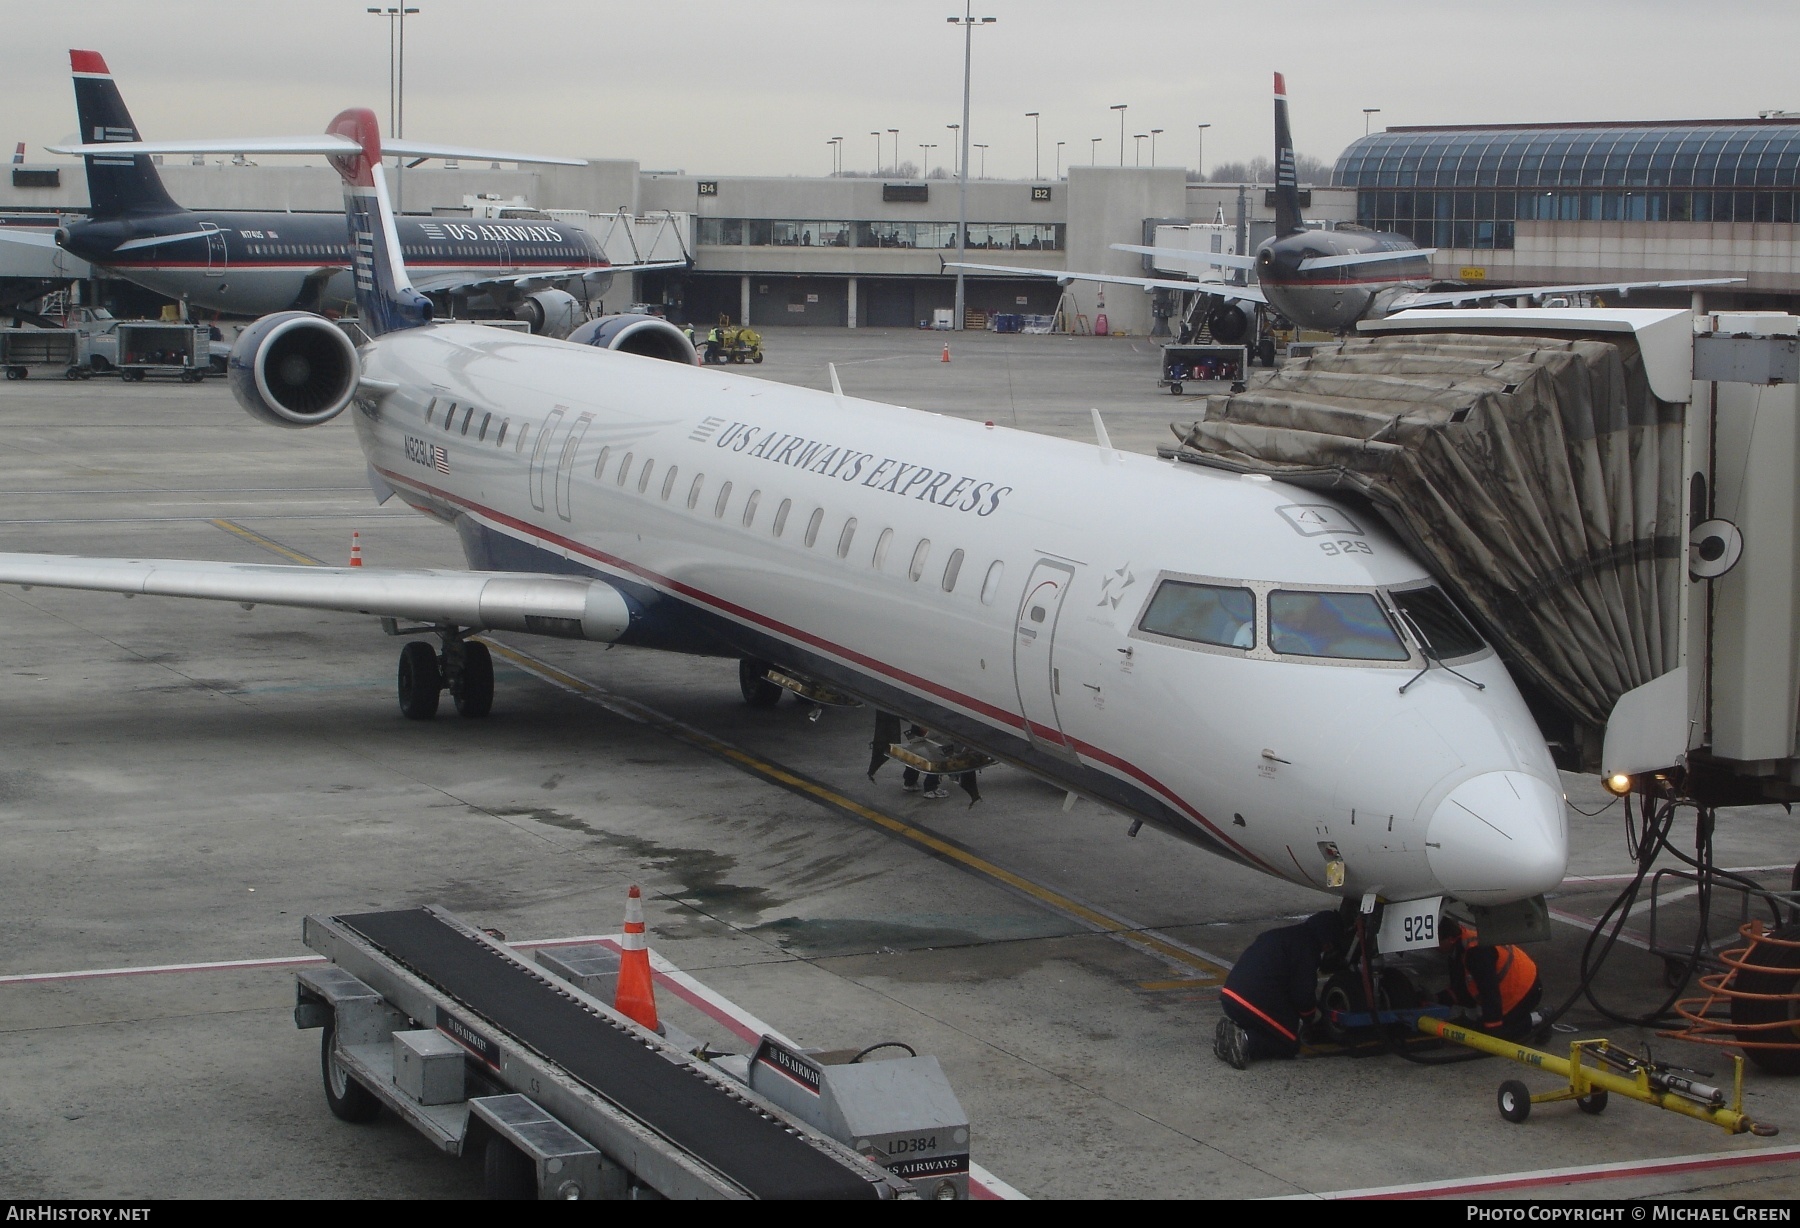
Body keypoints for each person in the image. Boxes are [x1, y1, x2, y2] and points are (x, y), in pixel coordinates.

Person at [1213, 911, 1341, 1068]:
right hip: (1250, 1002)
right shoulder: (1308, 948)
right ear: (1327, 942)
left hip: (1230, 996)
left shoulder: (1282, 935)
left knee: (1269, 1027)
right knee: (1289, 1042)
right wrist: (1312, 1018)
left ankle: (1232, 1036)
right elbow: (1302, 995)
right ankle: (1245, 1041)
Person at [1440, 918, 1542, 1040]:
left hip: (1526, 991)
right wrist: (1435, 998)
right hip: (1512, 987)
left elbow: (1489, 990)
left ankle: (1539, 1019)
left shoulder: (1476, 953)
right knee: (1476, 1029)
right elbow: (1462, 988)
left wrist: (1492, 1026)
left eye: (1436, 942)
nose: (1434, 947)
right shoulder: (1460, 947)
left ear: (1450, 939)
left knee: (1493, 1038)